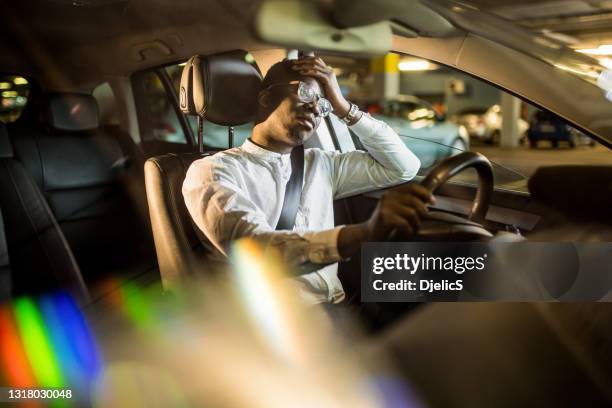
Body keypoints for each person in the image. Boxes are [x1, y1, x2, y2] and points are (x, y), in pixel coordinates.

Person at [183, 56, 434, 304]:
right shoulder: (211, 172)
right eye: (304, 92)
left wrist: (344, 109)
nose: (316, 108)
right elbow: (259, 251)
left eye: (323, 105)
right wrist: (364, 232)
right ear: (266, 98)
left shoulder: (321, 163)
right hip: (278, 323)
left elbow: (404, 166)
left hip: (337, 305)